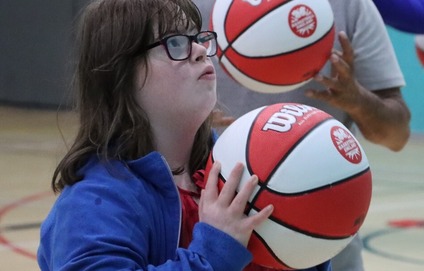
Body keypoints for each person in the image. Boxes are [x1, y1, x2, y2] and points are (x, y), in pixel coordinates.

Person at [37, 0, 331, 270]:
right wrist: (214, 250)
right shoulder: (95, 201)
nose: (201, 50)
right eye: (175, 43)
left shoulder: (242, 169)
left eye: (198, 38)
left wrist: (307, 240)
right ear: (120, 74)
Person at [194, 0, 411, 271]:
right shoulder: (181, 7)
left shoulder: (349, 5)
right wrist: (181, 112)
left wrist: (357, 99)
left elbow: (397, 135)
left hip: (323, 248)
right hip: (209, 246)